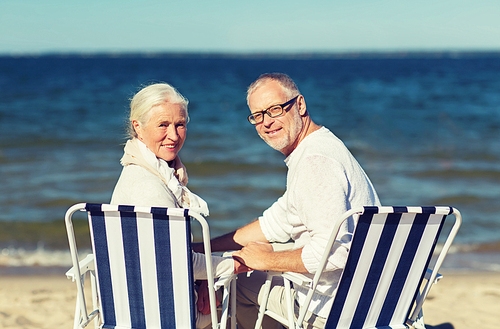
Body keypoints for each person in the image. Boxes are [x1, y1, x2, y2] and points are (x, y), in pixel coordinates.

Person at [194, 73, 381, 329]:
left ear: (300, 105)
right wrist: (203, 248)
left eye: (275, 109)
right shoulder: (321, 146)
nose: (267, 122)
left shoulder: (314, 163)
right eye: (257, 116)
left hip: (332, 307)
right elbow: (274, 223)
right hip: (370, 298)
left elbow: (335, 254)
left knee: (233, 285)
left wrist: (264, 260)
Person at [110, 83, 248, 329]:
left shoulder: (139, 171)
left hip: (130, 304)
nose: (173, 136)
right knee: (247, 293)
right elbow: (179, 263)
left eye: (180, 124)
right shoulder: (150, 187)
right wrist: (237, 262)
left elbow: (168, 257)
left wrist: (205, 278)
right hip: (164, 313)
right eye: (163, 125)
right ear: (138, 127)